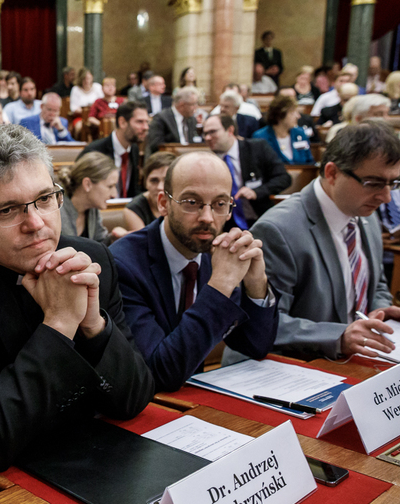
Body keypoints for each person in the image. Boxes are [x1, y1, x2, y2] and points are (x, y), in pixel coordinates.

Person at [0, 124, 154, 475]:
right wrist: (59, 323)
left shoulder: (91, 258)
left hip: (92, 458)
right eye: (7, 210)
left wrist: (94, 326)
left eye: (44, 199)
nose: (35, 223)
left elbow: (134, 399)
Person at [250, 121, 400, 360]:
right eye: (374, 183)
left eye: (393, 183)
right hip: (292, 365)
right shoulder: (278, 230)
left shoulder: (365, 214)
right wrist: (338, 336)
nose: (385, 197)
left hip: (352, 361)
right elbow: (265, 324)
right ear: (332, 173)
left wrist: (380, 310)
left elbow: (377, 284)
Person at [110, 152, 277, 391]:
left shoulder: (217, 253)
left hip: (196, 399)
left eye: (220, 204)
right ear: (163, 203)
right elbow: (159, 373)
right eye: (191, 202)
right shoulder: (123, 264)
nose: (207, 218)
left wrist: (257, 284)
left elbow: (255, 346)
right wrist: (220, 285)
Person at [203, 114, 290, 226]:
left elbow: (283, 178)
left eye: (212, 132)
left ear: (230, 130)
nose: (207, 138)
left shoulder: (257, 148)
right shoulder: (207, 162)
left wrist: (256, 192)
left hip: (261, 219)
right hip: (226, 225)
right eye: (205, 134)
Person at [78, 100, 149, 198]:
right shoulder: (95, 151)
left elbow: (133, 189)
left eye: (147, 122)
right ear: (122, 122)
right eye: (140, 122)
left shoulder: (134, 148)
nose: (146, 127)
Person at [58, 152, 127, 245]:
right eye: (110, 186)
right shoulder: (56, 211)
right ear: (87, 184)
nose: (114, 194)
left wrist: (113, 239)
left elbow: (99, 244)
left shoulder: (93, 208)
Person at [252, 94, 315, 164]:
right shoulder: (260, 137)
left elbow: (310, 162)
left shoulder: (300, 133)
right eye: (293, 112)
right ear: (280, 115)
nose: (298, 116)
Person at [122, 152, 176, 231]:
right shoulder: (134, 209)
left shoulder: (183, 203)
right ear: (145, 183)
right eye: (154, 180)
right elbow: (144, 239)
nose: (160, 187)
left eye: (166, 181)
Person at [146, 86, 202, 155]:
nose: (195, 107)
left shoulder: (192, 120)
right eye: (193, 104)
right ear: (182, 104)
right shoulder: (161, 118)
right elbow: (156, 145)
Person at [326, 93, 390, 144]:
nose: (386, 118)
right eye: (378, 114)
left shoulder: (389, 137)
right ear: (359, 119)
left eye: (387, 114)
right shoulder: (343, 136)